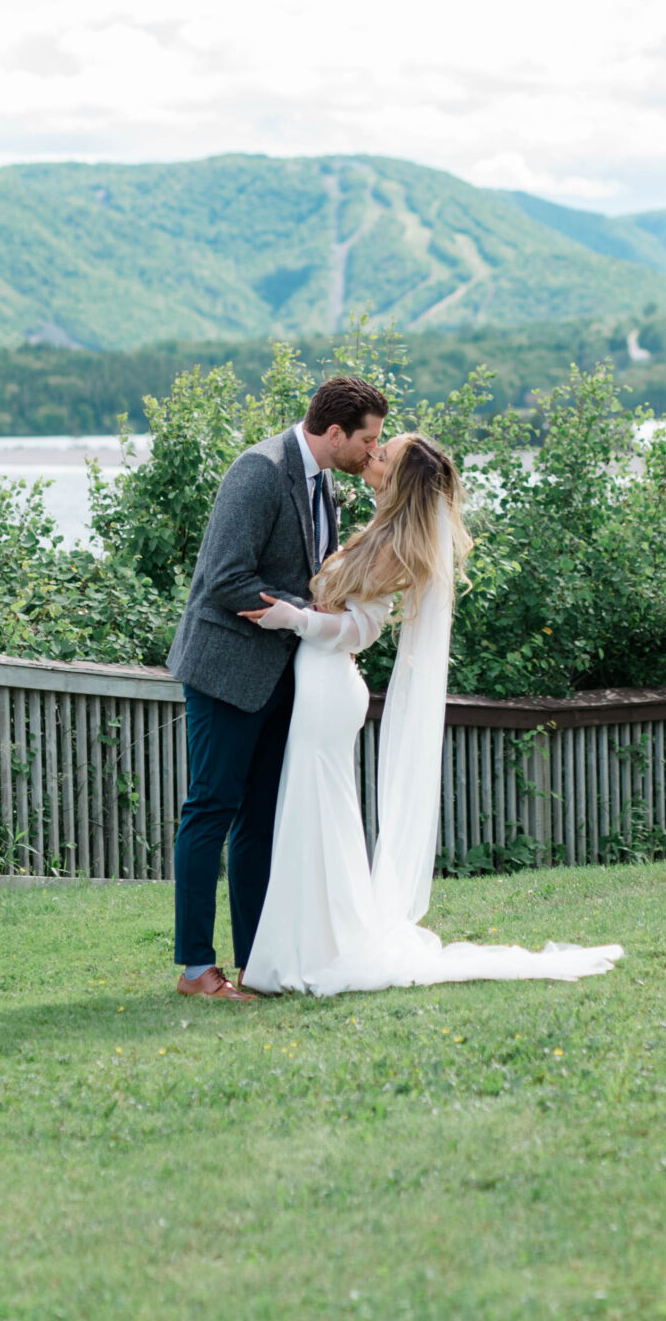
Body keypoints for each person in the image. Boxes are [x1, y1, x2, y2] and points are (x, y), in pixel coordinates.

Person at [237, 431, 624, 995]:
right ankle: (308, 945)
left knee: (318, 816)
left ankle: (316, 951)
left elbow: (361, 631)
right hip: (318, 684)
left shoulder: (396, 548)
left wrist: (293, 621)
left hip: (328, 686)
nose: (372, 456)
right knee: (311, 815)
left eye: (383, 454)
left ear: (399, 478)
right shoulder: (378, 531)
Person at [165, 374, 389, 1001]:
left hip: (285, 679)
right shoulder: (259, 470)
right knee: (211, 810)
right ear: (335, 432)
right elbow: (224, 579)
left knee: (261, 821)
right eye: (368, 440)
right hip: (229, 671)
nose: (374, 451)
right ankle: (193, 969)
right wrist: (310, 612)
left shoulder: (327, 489)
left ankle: (254, 964)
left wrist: (319, 621)